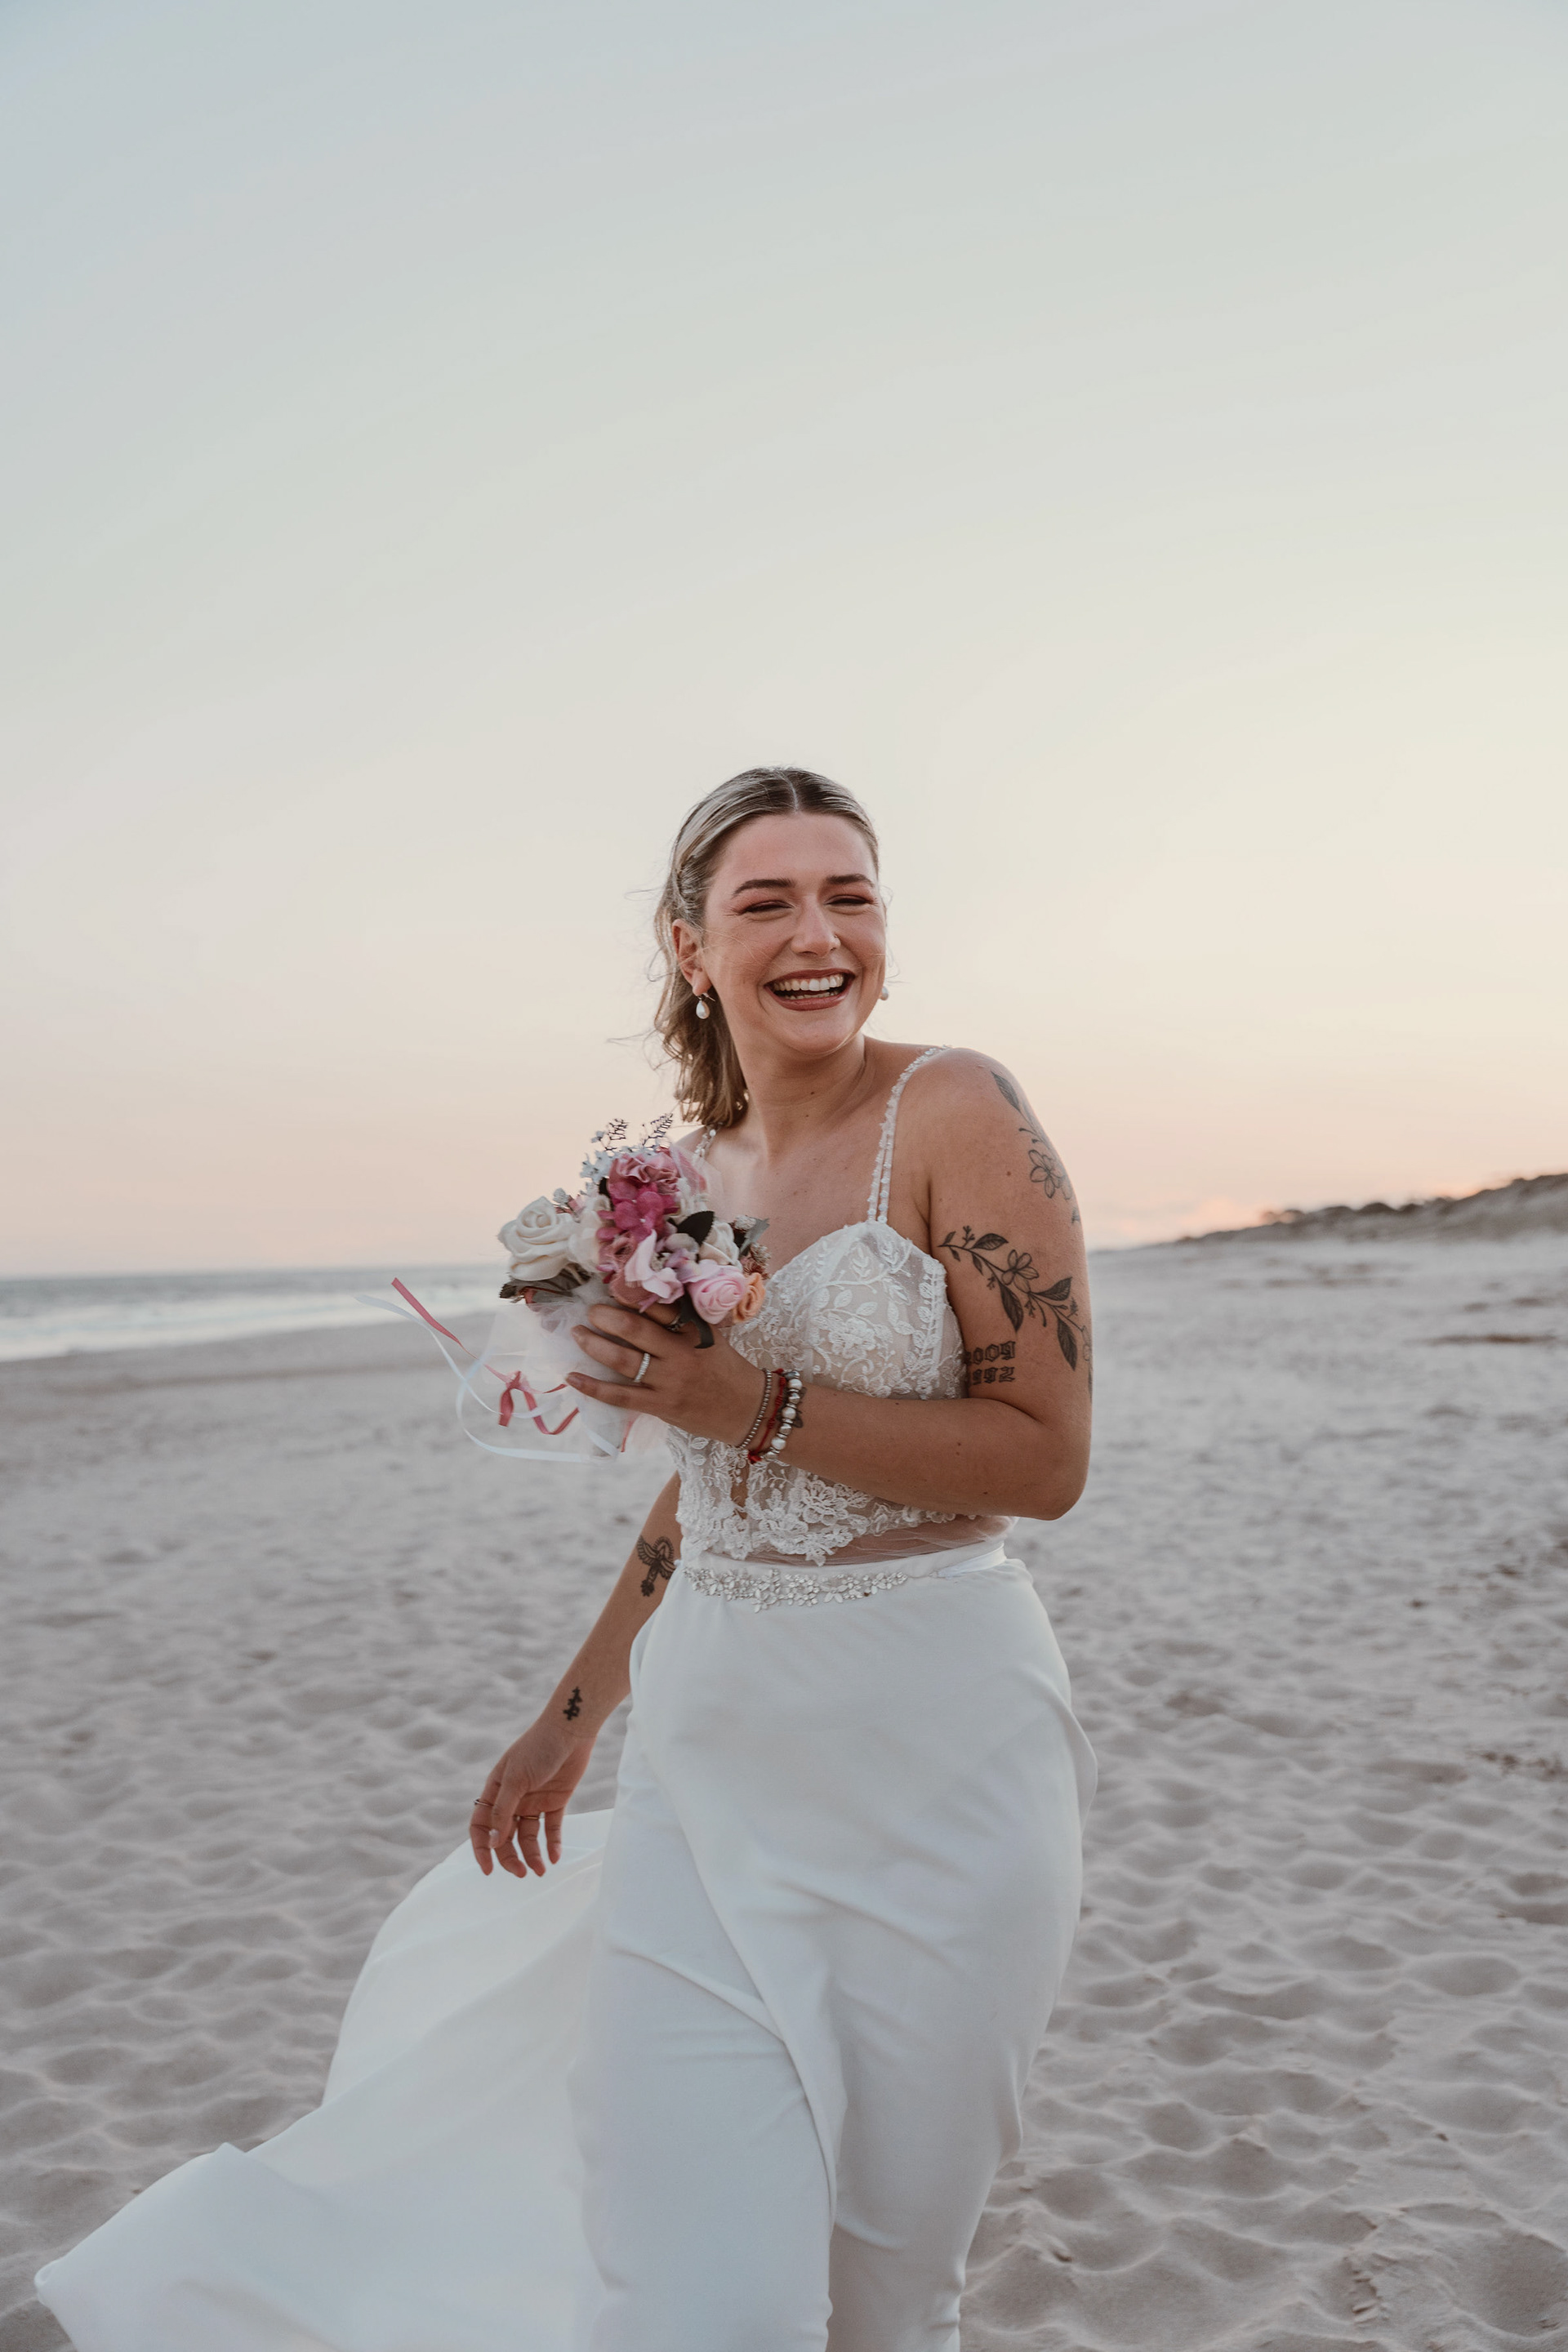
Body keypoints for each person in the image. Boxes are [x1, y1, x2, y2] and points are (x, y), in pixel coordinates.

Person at [38, 766, 1097, 2352]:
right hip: (706, 1756)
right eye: (768, 902)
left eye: (850, 896)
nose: (819, 935)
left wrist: (746, 1401)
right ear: (691, 947)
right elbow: (705, 1493)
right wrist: (570, 1716)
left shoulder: (956, 1110)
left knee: (886, 2300)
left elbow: (1046, 1460)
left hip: (942, 1753)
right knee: (697, 2302)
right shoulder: (673, 1189)